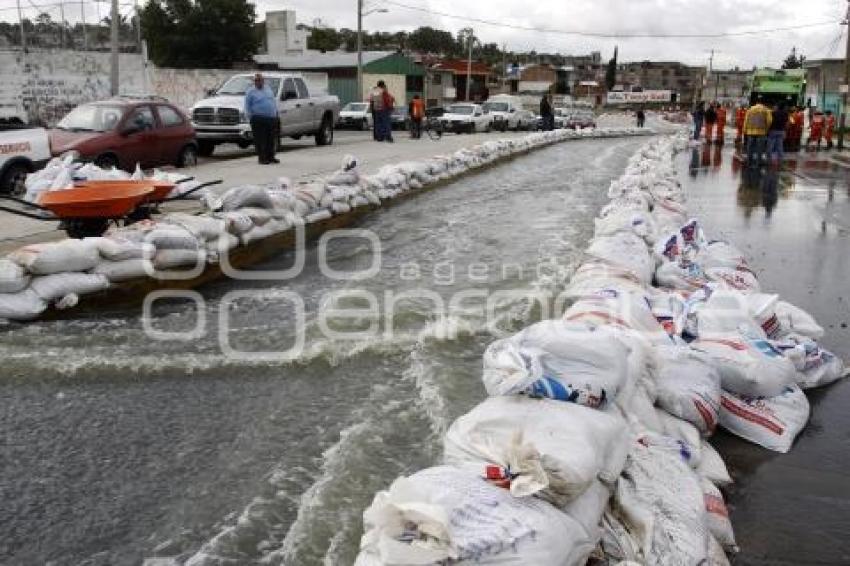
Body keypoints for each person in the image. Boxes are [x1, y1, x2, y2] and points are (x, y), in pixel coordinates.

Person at [244, 73, 279, 165]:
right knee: (260, 139)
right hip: (258, 118)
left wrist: (275, 113)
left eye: (260, 80)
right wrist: (250, 117)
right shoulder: (250, 92)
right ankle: (262, 158)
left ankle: (271, 157)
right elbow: (247, 106)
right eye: (256, 80)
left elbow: (272, 101)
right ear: (254, 82)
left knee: (270, 139)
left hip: (271, 117)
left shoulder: (268, 89)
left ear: (263, 81)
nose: (258, 82)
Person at [743, 97, 771, 167]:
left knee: (750, 147)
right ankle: (758, 162)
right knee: (759, 148)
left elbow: (746, 120)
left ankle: (749, 161)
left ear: (756, 103)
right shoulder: (766, 110)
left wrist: (745, 130)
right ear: (763, 103)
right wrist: (766, 129)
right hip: (761, 132)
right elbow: (769, 121)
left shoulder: (750, 109)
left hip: (750, 131)